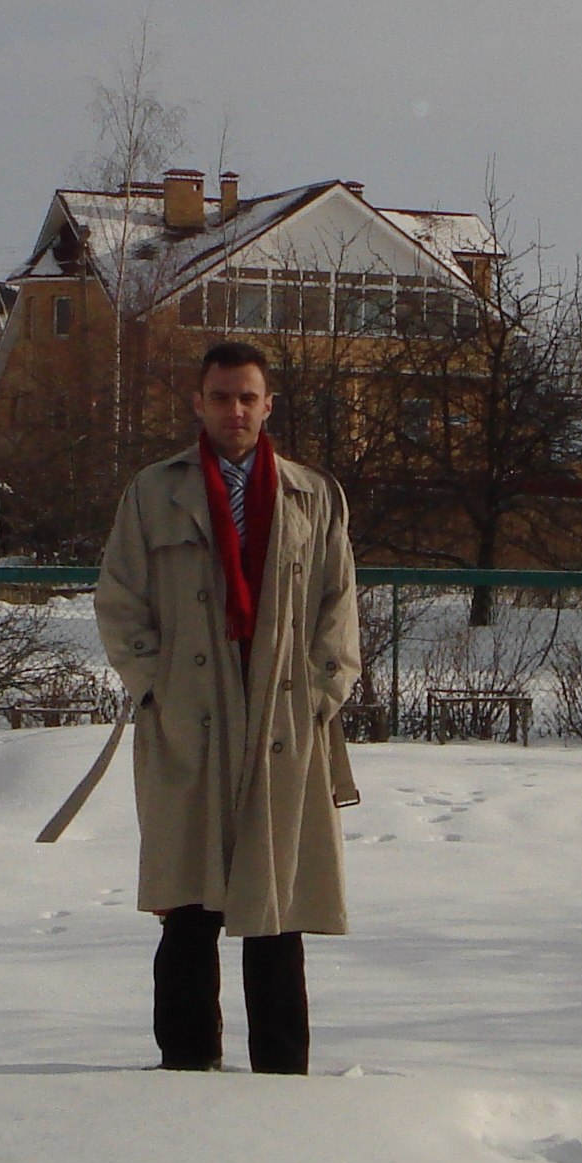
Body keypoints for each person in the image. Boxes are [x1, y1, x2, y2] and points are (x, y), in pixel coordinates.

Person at [94, 340, 361, 1075]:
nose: (234, 410)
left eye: (247, 397)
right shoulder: (154, 492)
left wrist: (321, 692)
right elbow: (119, 598)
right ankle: (185, 1069)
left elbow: (339, 606)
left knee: (276, 907)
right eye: (220, 396)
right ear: (199, 402)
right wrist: (155, 684)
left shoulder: (313, 495)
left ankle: (280, 1076)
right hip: (190, 719)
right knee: (188, 905)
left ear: (268, 404)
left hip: (282, 719)